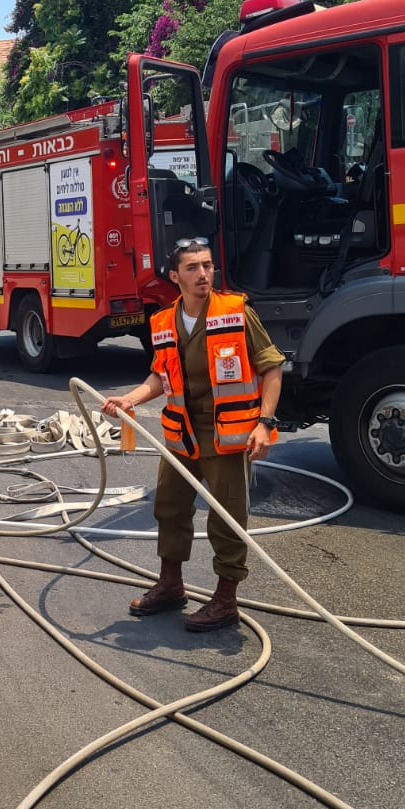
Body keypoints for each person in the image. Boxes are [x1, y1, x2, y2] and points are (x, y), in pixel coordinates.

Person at [102, 238, 284, 632]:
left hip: (226, 434)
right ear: (174, 276)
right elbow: (160, 375)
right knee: (169, 507)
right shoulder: (163, 321)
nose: (203, 274)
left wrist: (265, 423)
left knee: (227, 516)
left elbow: (271, 368)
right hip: (182, 433)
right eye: (192, 267)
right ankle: (171, 585)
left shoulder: (236, 312)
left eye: (207, 265)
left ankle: (225, 600)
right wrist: (130, 399)